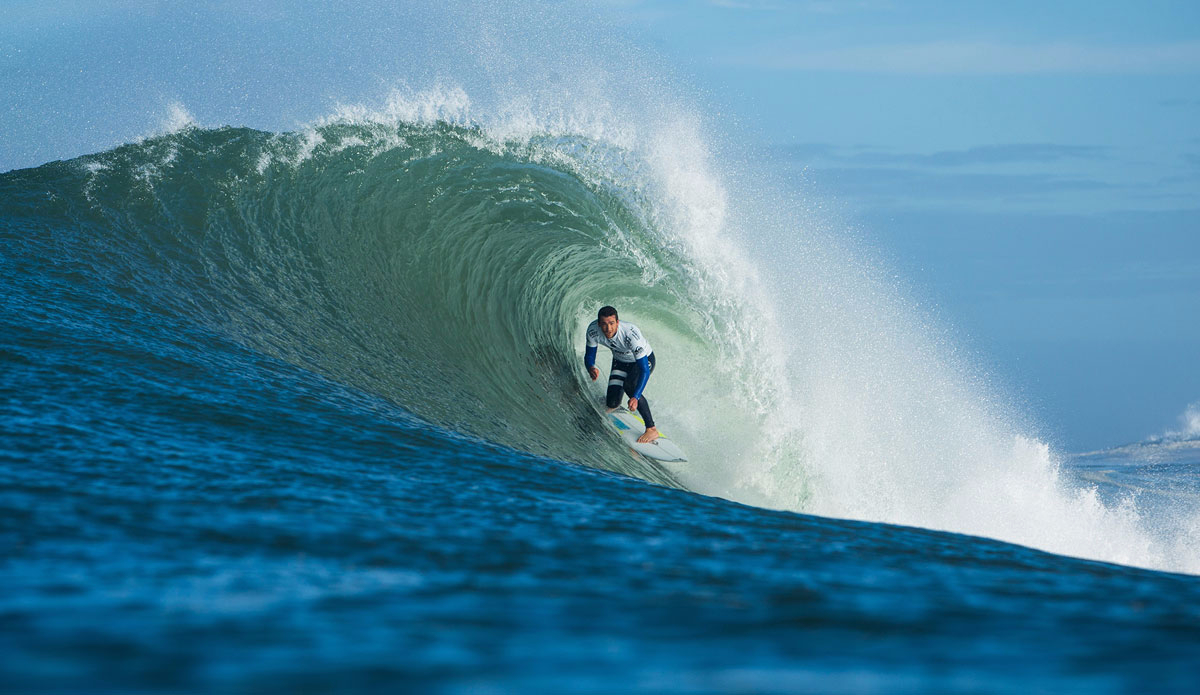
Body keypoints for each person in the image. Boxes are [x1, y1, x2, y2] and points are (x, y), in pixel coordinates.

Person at [584, 306, 659, 443]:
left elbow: (644, 370)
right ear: (599, 323)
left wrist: (635, 397)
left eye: (612, 323)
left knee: (630, 386)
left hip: (643, 361)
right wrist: (591, 367)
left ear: (617, 322)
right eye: (604, 324)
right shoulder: (593, 331)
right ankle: (618, 404)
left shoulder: (630, 334)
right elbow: (589, 355)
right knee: (611, 403)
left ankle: (651, 428)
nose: (608, 328)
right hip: (620, 361)